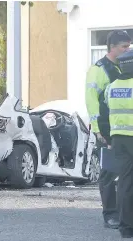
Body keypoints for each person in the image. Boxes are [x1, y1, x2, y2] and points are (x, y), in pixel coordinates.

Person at [85, 30, 131, 229]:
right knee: (109, 172)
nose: (127, 50)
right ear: (112, 47)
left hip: (120, 130)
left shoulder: (123, 67)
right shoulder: (98, 70)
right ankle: (110, 214)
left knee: (124, 173)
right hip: (104, 128)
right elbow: (91, 101)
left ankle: (123, 215)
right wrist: (97, 129)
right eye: (124, 47)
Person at [104, 49, 133, 238]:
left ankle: (126, 227)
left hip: (118, 139)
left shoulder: (111, 87)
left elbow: (107, 108)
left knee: (124, 183)